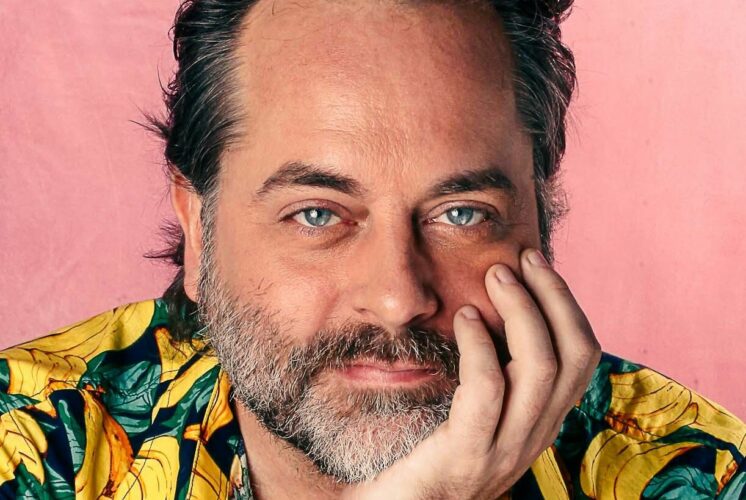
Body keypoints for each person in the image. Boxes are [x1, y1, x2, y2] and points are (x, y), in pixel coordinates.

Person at [0, 0, 743, 498]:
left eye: (461, 214)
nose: (397, 297)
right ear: (198, 231)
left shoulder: (696, 475)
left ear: (539, 223)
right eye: (317, 214)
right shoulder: (27, 445)